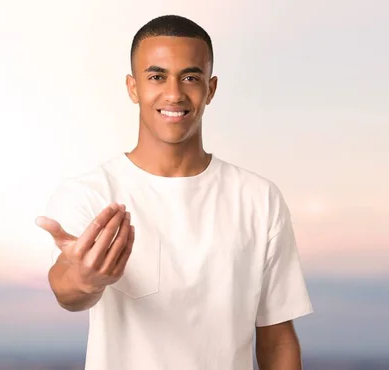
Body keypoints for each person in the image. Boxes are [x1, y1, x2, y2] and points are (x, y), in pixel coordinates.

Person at [35, 14, 313, 370]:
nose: (174, 94)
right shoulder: (92, 193)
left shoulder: (259, 199)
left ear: (210, 89)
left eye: (190, 78)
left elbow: (276, 338)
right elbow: (68, 291)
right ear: (133, 87)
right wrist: (84, 277)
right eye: (156, 77)